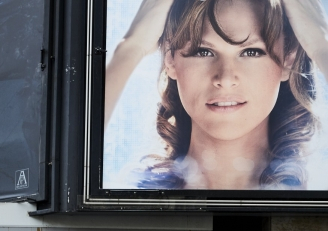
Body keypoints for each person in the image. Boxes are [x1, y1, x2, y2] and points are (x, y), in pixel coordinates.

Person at [105, 0, 328, 191]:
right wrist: (131, 47)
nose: (225, 78)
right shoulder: (129, 195)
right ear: (170, 59)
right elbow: (72, 154)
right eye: (204, 51)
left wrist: (320, 45)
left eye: (251, 52)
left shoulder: (318, 198)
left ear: (288, 61)